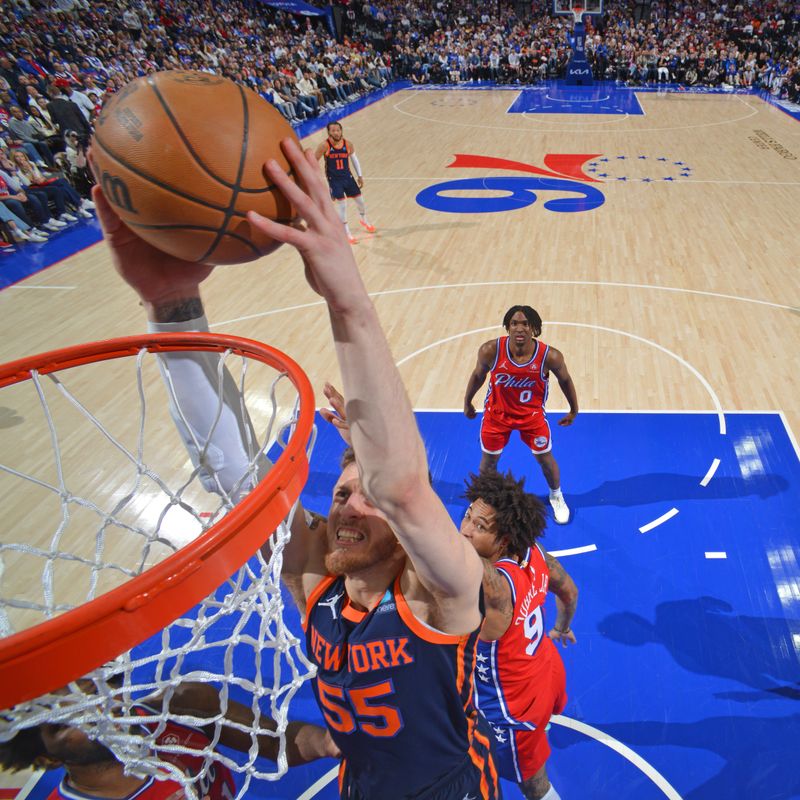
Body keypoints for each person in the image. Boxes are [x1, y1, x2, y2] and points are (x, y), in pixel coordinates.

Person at [90, 137, 500, 799]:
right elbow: (237, 482)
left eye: (365, 499)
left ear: (404, 533)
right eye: (340, 493)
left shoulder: (441, 592)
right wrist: (172, 305)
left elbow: (400, 487)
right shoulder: (318, 587)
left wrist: (347, 299)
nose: (346, 504)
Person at [0, 679, 338, 800]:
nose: (96, 713)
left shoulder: (180, 705)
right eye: (63, 725)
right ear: (48, 759)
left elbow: (276, 742)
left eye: (91, 693)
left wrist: (329, 742)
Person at [462, 470, 578, 800]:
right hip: (547, 670)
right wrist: (561, 627)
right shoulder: (536, 554)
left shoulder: (492, 588)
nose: (466, 531)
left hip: (511, 710)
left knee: (534, 785)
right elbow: (569, 591)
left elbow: (437, 540)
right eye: (468, 517)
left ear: (504, 541)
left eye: (479, 527)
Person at [463, 305, 578, 524]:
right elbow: (478, 375)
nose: (519, 328)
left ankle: (556, 495)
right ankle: (482, 498)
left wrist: (574, 410)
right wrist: (467, 401)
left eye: (525, 323)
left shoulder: (549, 356)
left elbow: (565, 380)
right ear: (507, 327)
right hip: (497, 415)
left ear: (534, 328)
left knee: (545, 459)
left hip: (531, 417)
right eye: (514, 323)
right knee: (488, 463)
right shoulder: (491, 350)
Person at [314, 121, 376, 245]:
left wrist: (360, 175)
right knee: (342, 205)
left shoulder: (348, 144)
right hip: (334, 180)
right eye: (333, 130)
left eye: (338, 130)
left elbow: (354, 160)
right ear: (329, 132)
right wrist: (315, 178)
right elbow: (314, 160)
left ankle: (363, 219)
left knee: (361, 202)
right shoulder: (324, 146)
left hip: (348, 177)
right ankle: (346, 232)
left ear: (341, 131)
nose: (336, 132)